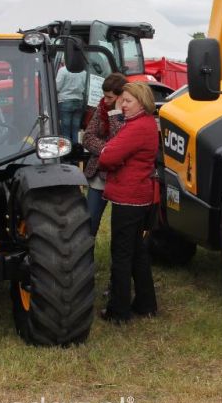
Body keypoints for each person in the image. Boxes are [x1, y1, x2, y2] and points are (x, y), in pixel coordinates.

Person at [98, 81, 159, 323]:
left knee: (122, 254)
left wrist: (108, 154)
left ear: (141, 102)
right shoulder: (144, 124)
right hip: (139, 196)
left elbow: (108, 156)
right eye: (122, 100)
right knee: (137, 253)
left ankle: (118, 311)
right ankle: (146, 304)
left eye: (127, 101)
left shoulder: (137, 127)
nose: (122, 105)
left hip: (128, 198)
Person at [83, 73, 127, 237]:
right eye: (104, 96)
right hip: (98, 175)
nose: (105, 100)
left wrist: (116, 113)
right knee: (90, 222)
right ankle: (86, 260)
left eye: (109, 97)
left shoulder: (132, 114)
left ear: (121, 96)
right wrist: (107, 150)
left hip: (121, 177)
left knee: (121, 228)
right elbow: (87, 137)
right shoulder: (101, 108)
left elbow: (123, 140)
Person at [55, 63, 87, 146]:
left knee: (65, 129)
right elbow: (85, 88)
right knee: (76, 128)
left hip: (65, 101)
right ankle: (76, 150)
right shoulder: (83, 72)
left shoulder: (62, 70)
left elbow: (57, 87)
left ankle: (66, 151)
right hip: (79, 101)